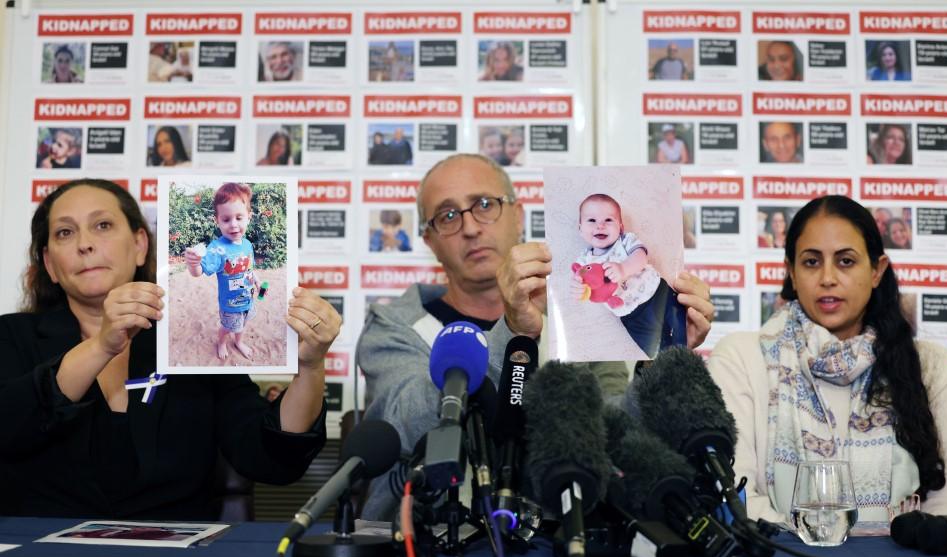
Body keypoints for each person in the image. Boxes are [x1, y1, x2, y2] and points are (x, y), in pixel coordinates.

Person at [356, 153, 716, 520]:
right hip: (424, 543)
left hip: (554, 544)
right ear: (429, 240)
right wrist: (513, 332)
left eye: (484, 205)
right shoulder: (394, 325)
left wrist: (662, 353)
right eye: (448, 216)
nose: (470, 228)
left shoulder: (575, 318)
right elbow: (406, 424)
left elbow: (615, 432)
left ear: (518, 215)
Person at [0, 178, 337, 519]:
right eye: (65, 233)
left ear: (140, 245)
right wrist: (102, 346)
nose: (85, 244)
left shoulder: (189, 338)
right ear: (50, 264)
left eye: (102, 225)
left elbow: (269, 457)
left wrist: (311, 367)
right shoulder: (11, 337)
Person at [708, 195, 947, 525]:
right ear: (791, 272)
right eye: (811, 262)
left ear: (877, 271)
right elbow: (738, 495)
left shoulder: (931, 366)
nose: (828, 278)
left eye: (846, 261)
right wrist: (813, 549)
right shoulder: (742, 359)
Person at [569, 193, 663, 354]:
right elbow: (580, 283)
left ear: (620, 227)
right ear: (580, 228)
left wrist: (623, 268)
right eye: (591, 220)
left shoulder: (626, 241)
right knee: (654, 351)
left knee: (680, 330)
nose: (600, 226)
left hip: (657, 292)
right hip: (631, 314)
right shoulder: (585, 262)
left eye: (608, 220)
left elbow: (641, 256)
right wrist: (577, 289)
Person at [184, 183, 259, 361]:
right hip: (230, 305)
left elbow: (249, 267)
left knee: (243, 324)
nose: (233, 225)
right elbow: (199, 271)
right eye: (226, 219)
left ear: (249, 217)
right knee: (228, 327)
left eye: (239, 218)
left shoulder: (247, 244)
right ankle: (222, 343)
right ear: (217, 220)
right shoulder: (217, 249)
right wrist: (193, 264)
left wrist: (256, 279)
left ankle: (239, 342)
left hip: (248, 298)